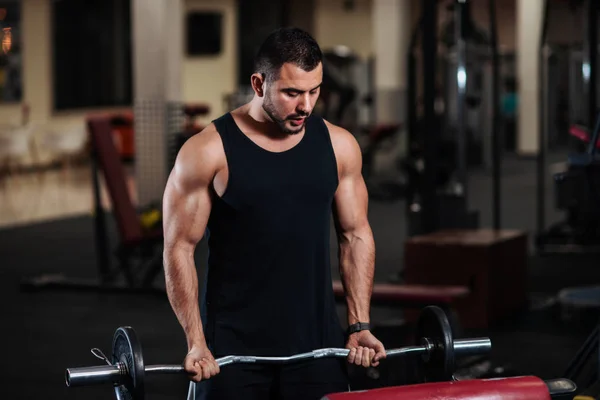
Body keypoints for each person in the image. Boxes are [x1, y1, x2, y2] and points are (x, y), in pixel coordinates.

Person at [162, 27, 385, 400]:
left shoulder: (339, 146)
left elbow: (355, 234)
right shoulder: (208, 152)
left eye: (314, 91)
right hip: (231, 353)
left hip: (317, 347)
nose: (306, 106)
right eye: (292, 93)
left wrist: (359, 323)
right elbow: (178, 248)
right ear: (258, 83)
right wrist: (195, 341)